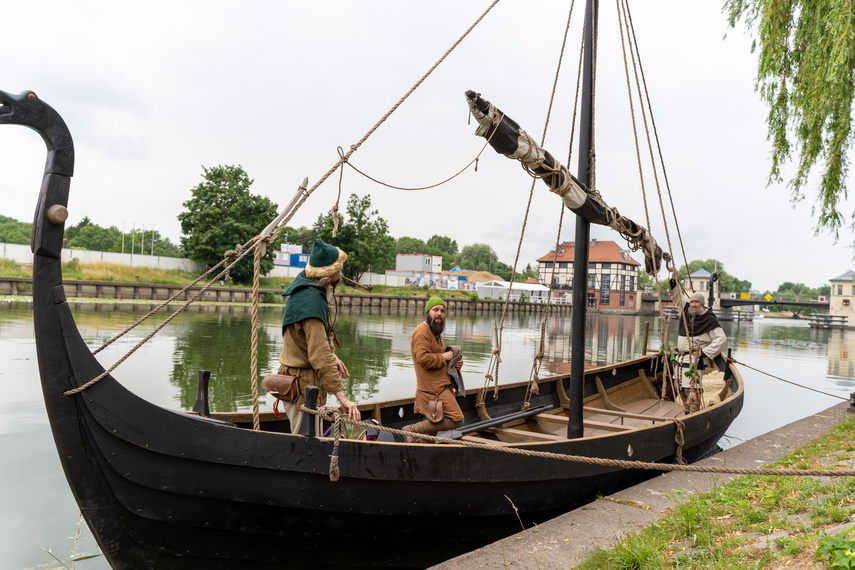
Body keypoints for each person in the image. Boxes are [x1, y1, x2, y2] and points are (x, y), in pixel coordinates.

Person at [276, 238, 360, 433]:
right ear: (329, 272)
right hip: (302, 389)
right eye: (339, 269)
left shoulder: (303, 288)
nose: (341, 274)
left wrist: (333, 356)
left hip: (296, 384)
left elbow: (306, 341)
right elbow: (319, 355)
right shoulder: (311, 302)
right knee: (305, 443)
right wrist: (343, 400)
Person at [403, 296, 465, 442]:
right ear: (428, 312)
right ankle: (412, 430)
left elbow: (439, 357)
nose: (439, 314)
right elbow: (423, 359)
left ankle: (422, 452)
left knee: (430, 435)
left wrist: (455, 363)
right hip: (433, 390)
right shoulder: (422, 331)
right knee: (458, 420)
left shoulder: (435, 332)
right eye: (435, 310)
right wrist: (445, 357)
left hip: (440, 387)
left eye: (442, 311)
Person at [668, 267, 727, 414]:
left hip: (694, 359)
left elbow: (721, 339)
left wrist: (704, 352)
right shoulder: (685, 310)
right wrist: (674, 279)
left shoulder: (709, 319)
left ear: (702, 304)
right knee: (679, 387)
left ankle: (694, 414)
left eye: (697, 303)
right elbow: (677, 297)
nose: (693, 305)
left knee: (693, 389)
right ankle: (686, 412)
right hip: (681, 357)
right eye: (692, 302)